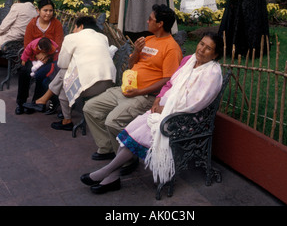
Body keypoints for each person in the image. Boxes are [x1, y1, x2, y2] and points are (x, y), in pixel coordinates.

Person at [80, 32, 223, 194]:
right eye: (202, 44)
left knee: (142, 133)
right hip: (164, 110)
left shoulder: (212, 73)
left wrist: (169, 108)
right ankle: (111, 176)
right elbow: (170, 84)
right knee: (133, 128)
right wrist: (158, 100)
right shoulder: (188, 60)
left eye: (208, 48)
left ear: (215, 55)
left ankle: (107, 172)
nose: (202, 49)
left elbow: (196, 102)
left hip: (186, 118)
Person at [83, 4, 182, 167]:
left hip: (144, 96)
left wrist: (139, 91)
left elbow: (168, 80)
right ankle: (108, 147)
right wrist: (136, 51)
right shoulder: (148, 40)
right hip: (126, 90)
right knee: (90, 108)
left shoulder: (171, 48)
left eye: (150, 19)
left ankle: (126, 159)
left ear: (160, 24)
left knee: (112, 121)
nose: (147, 21)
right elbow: (130, 65)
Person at [24, 16, 117, 131]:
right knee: (65, 84)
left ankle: (43, 100)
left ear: (81, 26)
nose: (73, 30)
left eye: (75, 27)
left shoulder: (71, 38)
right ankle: (65, 120)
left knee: (64, 72)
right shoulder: (103, 37)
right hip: (108, 82)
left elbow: (62, 63)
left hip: (88, 85)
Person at [15, 0, 64, 115]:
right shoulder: (32, 24)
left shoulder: (56, 24)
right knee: (23, 72)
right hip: (33, 57)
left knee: (40, 74)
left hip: (51, 58)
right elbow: (27, 43)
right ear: (38, 11)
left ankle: (35, 103)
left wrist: (47, 55)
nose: (48, 13)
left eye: (51, 11)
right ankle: (20, 103)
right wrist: (38, 54)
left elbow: (59, 44)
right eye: (45, 10)